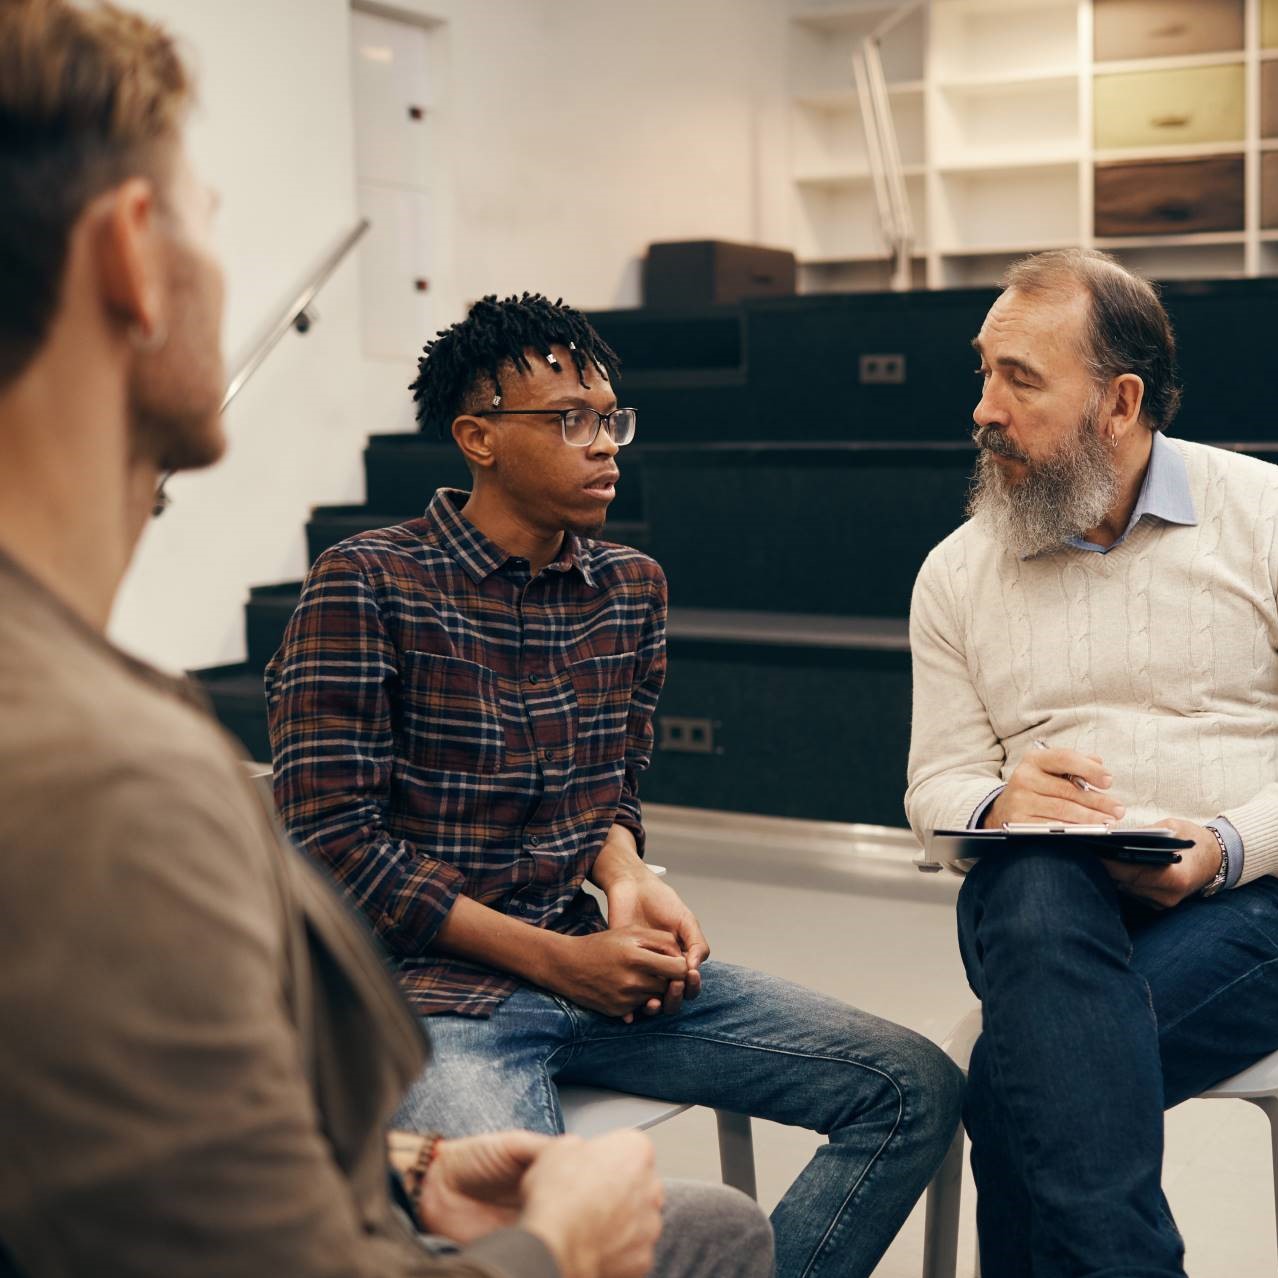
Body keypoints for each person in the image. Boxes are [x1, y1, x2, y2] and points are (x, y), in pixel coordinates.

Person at [0, 3, 773, 1276]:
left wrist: (404, 1164)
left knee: (727, 1225)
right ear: (134, 255)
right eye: (208, 213)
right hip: (450, 1043)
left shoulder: (95, 723)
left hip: (389, 1157)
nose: (596, 444)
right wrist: (556, 1248)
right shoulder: (116, 783)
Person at [266, 291, 965, 1278]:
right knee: (542, 1244)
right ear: (478, 438)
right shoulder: (367, 582)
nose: (606, 446)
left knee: (915, 1086)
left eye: (610, 418)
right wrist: (555, 960)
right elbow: (334, 845)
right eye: (570, 422)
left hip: (593, 972)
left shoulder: (630, 586)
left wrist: (629, 875)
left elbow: (609, 788)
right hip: (429, 1000)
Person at [905, 247, 1278, 1277]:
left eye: (1019, 379)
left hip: (1257, 898)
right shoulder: (957, 570)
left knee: (1022, 1089)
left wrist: (1225, 846)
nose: (984, 407)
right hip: (1055, 906)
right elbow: (933, 788)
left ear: (1118, 402)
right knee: (1028, 883)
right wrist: (995, 799)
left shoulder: (1265, 518)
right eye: (983, 371)